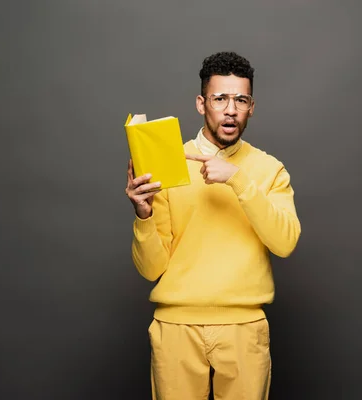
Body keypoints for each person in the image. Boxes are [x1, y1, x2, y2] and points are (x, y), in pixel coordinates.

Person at [125, 51, 301, 400]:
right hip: (176, 328)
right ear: (201, 103)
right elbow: (150, 269)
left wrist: (239, 180)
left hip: (244, 328)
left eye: (241, 99)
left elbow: (285, 243)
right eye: (220, 98)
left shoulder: (269, 170)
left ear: (252, 107)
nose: (230, 109)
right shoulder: (167, 161)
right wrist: (142, 215)